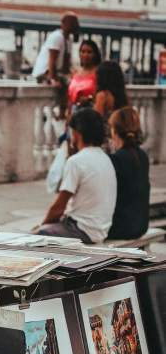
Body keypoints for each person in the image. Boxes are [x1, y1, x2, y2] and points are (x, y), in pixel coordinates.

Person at [33, 108, 117, 244]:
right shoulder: (105, 158)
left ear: (77, 133)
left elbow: (58, 208)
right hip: (99, 230)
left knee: (33, 238)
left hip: (81, 230)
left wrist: (42, 226)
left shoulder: (77, 161)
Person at [107, 106, 150, 240]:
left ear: (114, 131)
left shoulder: (116, 159)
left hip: (121, 227)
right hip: (141, 225)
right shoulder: (142, 155)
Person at [33, 12, 80, 114]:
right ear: (65, 23)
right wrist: (53, 79)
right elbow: (52, 60)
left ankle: (67, 110)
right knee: (66, 84)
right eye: (74, 22)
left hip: (57, 72)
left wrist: (71, 74)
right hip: (45, 72)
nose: (77, 24)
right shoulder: (57, 36)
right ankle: (62, 112)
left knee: (76, 82)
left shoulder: (69, 38)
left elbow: (66, 60)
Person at [94, 60, 131, 153]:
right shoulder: (123, 97)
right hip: (120, 140)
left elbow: (97, 122)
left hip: (106, 142)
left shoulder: (103, 95)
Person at [67, 39, 101, 112]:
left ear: (95, 54)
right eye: (83, 51)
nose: (86, 55)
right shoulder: (76, 72)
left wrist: (89, 99)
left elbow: (101, 94)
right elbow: (70, 97)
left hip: (89, 111)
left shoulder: (98, 72)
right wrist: (68, 114)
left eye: (89, 52)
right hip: (74, 111)